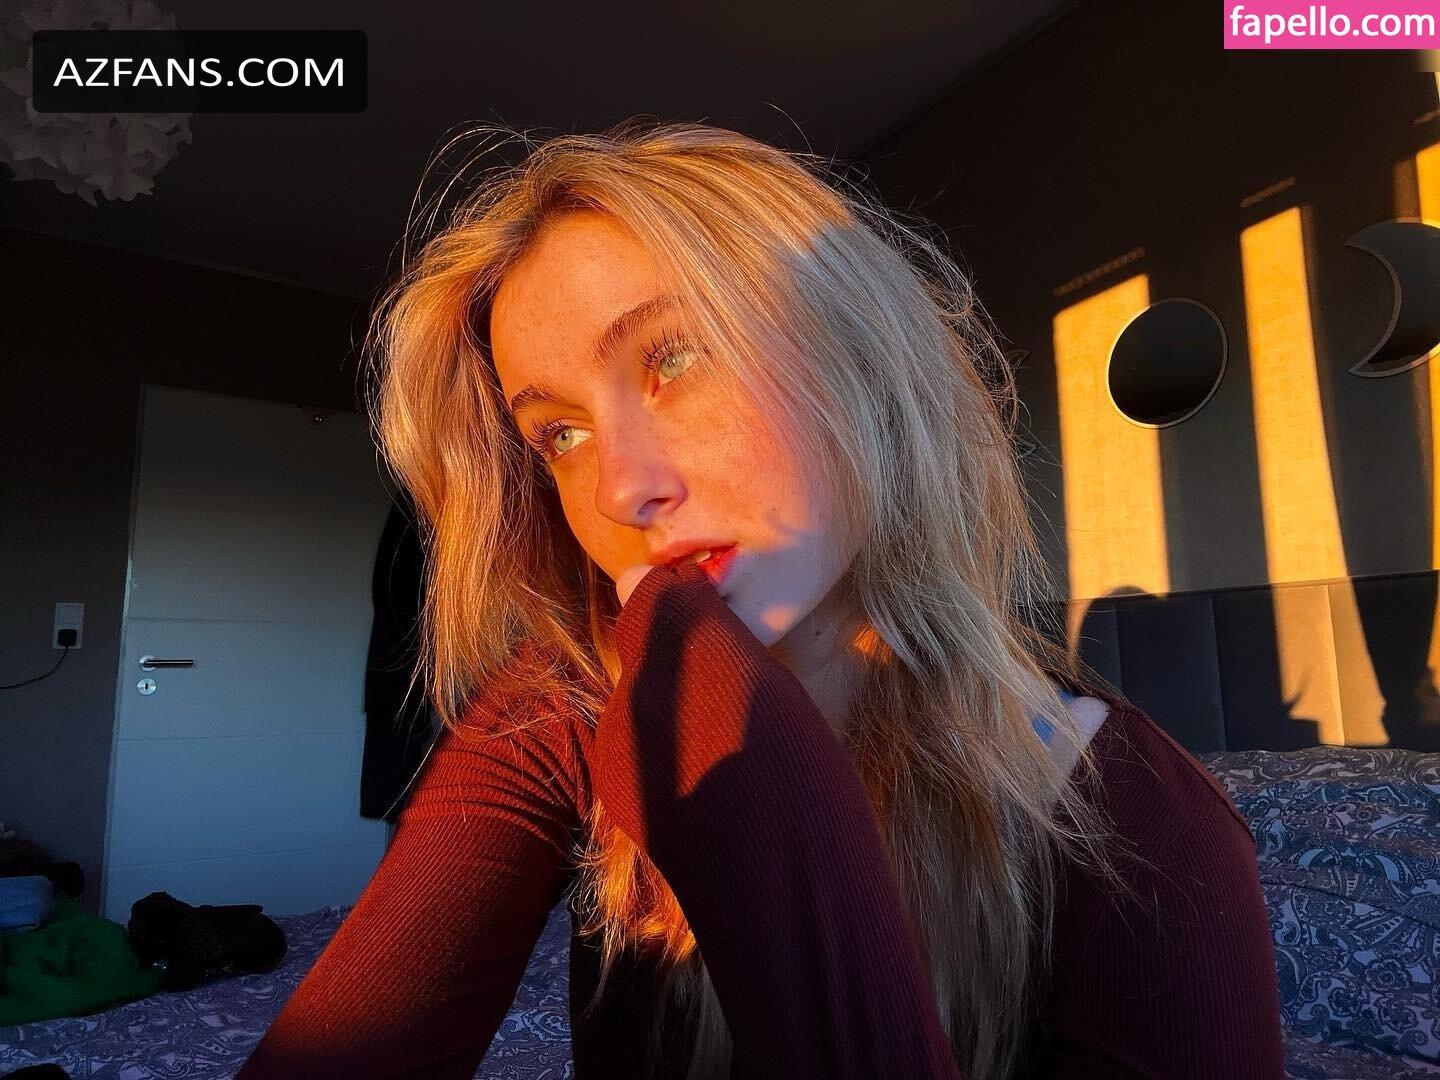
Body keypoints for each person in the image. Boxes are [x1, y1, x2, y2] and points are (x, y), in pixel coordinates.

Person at [236, 119, 1284, 1079]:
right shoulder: (567, 709)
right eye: (559, 433)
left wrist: (778, 842)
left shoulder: (1140, 827)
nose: (619, 489)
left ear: (863, 361)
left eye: (675, 357)